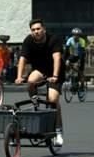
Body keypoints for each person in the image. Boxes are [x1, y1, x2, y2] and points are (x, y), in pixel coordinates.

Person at [15, 19, 64, 147]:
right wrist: (19, 77)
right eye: (33, 30)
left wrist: (55, 76)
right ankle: (35, 103)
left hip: (55, 72)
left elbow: (57, 58)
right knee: (31, 81)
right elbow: (22, 59)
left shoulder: (53, 39)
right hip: (40, 70)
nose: (36, 31)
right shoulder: (28, 40)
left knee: (53, 99)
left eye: (38, 29)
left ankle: (58, 131)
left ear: (44, 29)